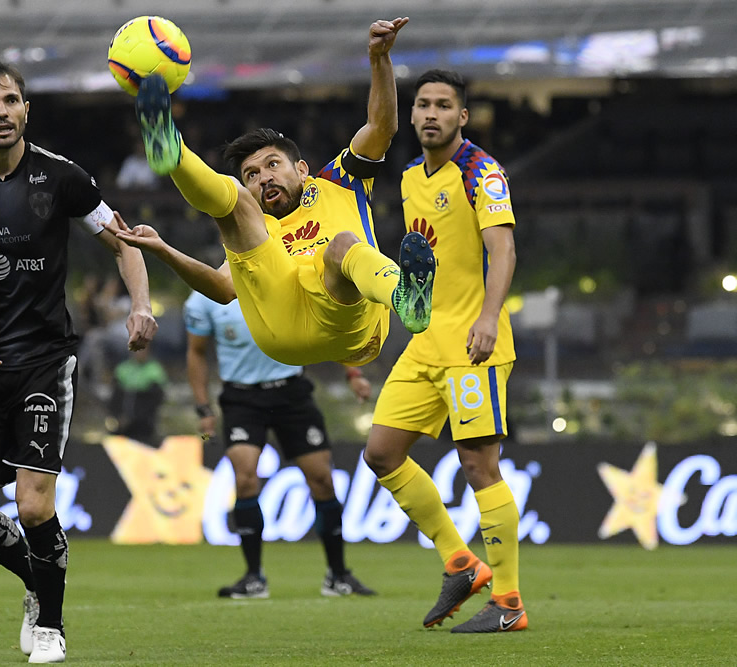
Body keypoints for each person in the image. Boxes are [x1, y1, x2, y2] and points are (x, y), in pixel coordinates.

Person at [0, 59, 158, 663]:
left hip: (47, 361)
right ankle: (37, 580)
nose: (2, 112)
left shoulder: (63, 178)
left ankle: (49, 624)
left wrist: (141, 305)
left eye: (12, 101)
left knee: (32, 505)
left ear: (27, 109)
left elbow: (125, 243)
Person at [113, 17, 438, 372]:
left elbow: (381, 127)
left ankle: (405, 298)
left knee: (343, 246)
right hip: (281, 331)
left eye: (272, 165)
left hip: (347, 322)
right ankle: (172, 151)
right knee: (234, 202)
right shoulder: (256, 224)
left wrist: (379, 59)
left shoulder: (339, 181)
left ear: (301, 169)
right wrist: (163, 250)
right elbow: (223, 288)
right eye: (251, 174)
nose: (263, 178)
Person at [363, 69, 525, 633]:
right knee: (381, 454)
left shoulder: (483, 172)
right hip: (424, 344)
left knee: (479, 466)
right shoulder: (409, 177)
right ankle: (460, 562)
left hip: (472, 347)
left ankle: (508, 602)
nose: (431, 114)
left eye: (444, 106)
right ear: (411, 116)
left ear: (463, 117)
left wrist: (487, 317)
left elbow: (502, 251)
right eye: (423, 105)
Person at [185, 290, 376, 599]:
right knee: (245, 478)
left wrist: (353, 373)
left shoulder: (285, 278)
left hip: (291, 394)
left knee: (322, 480)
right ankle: (253, 578)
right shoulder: (203, 298)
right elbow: (196, 352)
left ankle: (338, 575)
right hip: (241, 398)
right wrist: (203, 408)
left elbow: (330, 325)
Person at [107, 344, 168, 443]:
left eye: (143, 349)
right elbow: (115, 397)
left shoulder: (155, 370)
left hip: (144, 424)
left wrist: (134, 418)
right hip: (122, 423)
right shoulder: (123, 369)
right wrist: (118, 416)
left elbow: (154, 400)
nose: (139, 352)